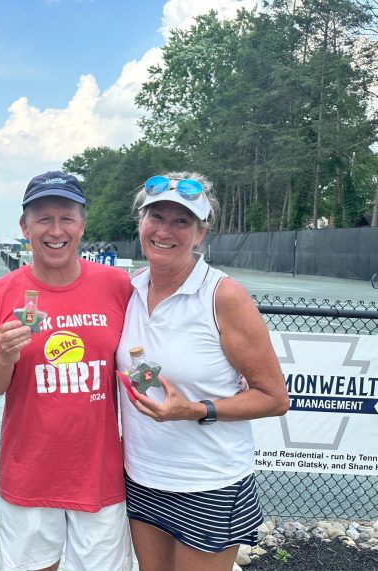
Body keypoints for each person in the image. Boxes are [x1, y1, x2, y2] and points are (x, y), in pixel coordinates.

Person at [116, 173, 290, 571]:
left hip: (209, 482)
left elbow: (274, 397)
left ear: (201, 233)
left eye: (182, 222)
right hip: (142, 475)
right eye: (156, 216)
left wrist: (196, 410)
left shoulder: (223, 295)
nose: (165, 231)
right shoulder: (129, 289)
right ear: (140, 223)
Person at [0, 171, 134, 571]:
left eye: (66, 218)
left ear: (82, 225)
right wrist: (6, 357)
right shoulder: (1, 292)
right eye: (43, 218)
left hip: (98, 477)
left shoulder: (118, 285)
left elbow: (154, 344)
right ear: (24, 227)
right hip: (28, 473)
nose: (56, 230)